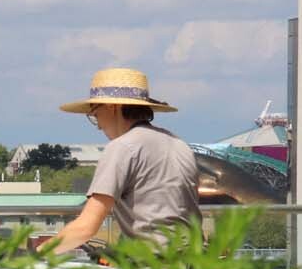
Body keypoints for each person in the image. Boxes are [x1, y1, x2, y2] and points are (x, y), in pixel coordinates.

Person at [42, 67, 202, 254]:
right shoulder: (179, 145)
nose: (98, 125)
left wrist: (36, 254)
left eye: (94, 114)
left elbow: (86, 227)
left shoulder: (122, 147)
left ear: (112, 107)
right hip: (193, 266)